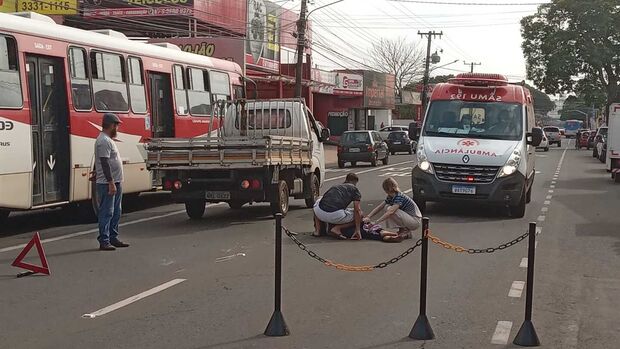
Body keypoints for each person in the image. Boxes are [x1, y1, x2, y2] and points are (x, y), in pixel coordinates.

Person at [94, 113, 130, 251]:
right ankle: (104, 240)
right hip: (108, 183)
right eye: (117, 125)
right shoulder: (103, 141)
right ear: (111, 125)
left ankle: (113, 237)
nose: (118, 128)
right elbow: (104, 162)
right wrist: (110, 182)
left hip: (116, 181)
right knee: (107, 212)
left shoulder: (108, 140)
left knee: (116, 211)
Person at [313, 173, 363, 240]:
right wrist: (357, 229)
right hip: (335, 216)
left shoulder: (335, 186)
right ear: (355, 182)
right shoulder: (354, 189)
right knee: (360, 214)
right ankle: (337, 228)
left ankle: (317, 231)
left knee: (318, 202)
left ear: (346, 180)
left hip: (320, 213)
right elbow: (357, 210)